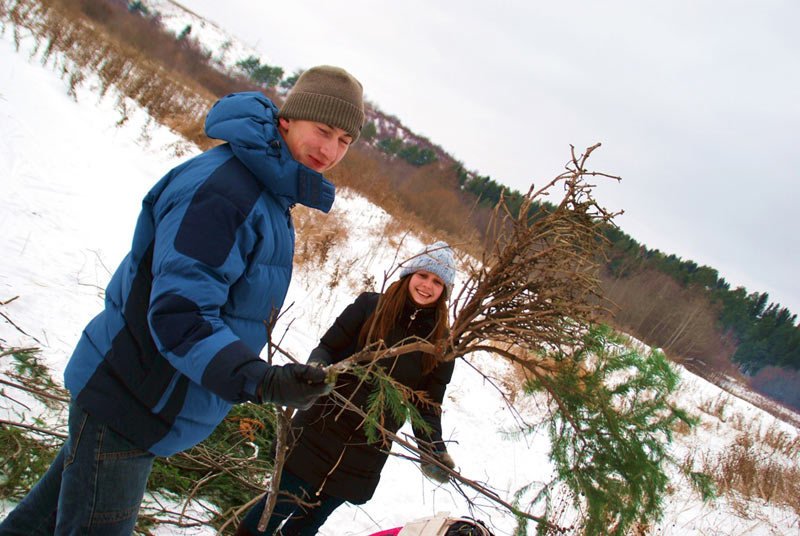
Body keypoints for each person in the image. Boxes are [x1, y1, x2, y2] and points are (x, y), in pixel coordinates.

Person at [0, 65, 365, 535]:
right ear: (288, 120)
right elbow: (182, 314)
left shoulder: (266, 194)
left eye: (344, 141)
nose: (330, 150)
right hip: (130, 397)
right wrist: (260, 381)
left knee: (33, 527)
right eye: (323, 131)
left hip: (143, 398)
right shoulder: (227, 191)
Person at [236, 242, 459, 536]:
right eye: (423, 275)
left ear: (445, 290)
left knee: (306, 527)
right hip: (319, 428)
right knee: (270, 512)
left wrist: (433, 451)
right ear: (408, 275)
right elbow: (328, 347)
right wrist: (317, 370)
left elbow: (427, 405)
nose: (427, 285)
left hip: (365, 451)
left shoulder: (442, 343)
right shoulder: (370, 306)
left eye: (437, 281)